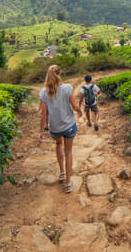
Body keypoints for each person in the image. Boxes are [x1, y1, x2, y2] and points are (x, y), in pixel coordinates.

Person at [38, 65, 82, 193]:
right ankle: (68, 182)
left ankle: (62, 172)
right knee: (68, 151)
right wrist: (79, 110)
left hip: (55, 128)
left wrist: (40, 132)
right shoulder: (67, 88)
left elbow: (43, 114)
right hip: (69, 126)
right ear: (60, 73)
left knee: (58, 144)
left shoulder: (44, 92)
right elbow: (74, 106)